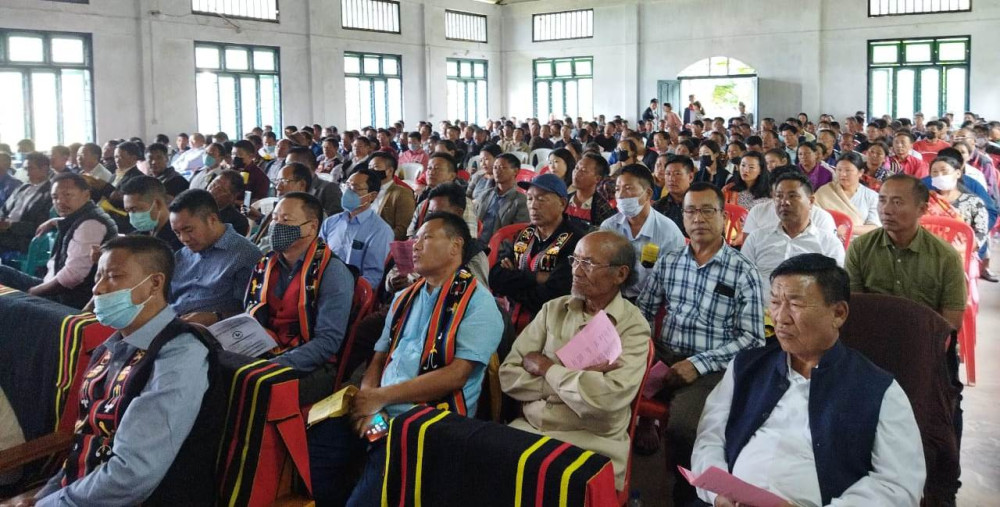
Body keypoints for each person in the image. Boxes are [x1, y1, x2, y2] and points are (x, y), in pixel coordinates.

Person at [692, 254, 925, 506]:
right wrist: (719, 495)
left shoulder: (879, 390)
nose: (780, 317)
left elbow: (898, 486)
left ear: (838, 313)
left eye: (795, 304)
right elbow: (710, 439)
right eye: (774, 302)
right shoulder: (746, 367)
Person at [322, 212, 503, 506]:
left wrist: (379, 398)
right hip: (381, 413)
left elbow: (456, 375)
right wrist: (368, 399)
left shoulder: (478, 304)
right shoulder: (404, 297)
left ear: (456, 246)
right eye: (415, 238)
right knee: (316, 448)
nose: (415, 246)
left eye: (426, 238)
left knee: (376, 472)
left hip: (425, 423)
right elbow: (379, 358)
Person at [27, 236, 221, 506]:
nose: (97, 289)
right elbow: (86, 442)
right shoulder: (113, 346)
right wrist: (43, 497)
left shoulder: (179, 355)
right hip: (84, 492)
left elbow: (132, 474)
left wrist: (51, 504)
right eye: (98, 277)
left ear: (155, 283)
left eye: (114, 277)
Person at [635, 182, 765, 504]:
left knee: (684, 427)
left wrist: (698, 364)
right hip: (665, 354)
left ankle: (686, 491)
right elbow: (645, 311)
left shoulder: (743, 272)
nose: (699, 219)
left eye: (708, 210)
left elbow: (753, 339)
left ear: (724, 217)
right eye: (691, 211)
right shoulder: (670, 261)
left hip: (711, 364)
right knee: (606, 389)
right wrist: (644, 350)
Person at [500, 231, 651, 490]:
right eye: (575, 260)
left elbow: (607, 400)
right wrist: (577, 380)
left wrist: (547, 368)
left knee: (544, 488)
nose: (576, 271)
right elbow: (508, 375)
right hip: (528, 429)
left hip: (589, 444)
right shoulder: (553, 310)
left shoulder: (632, 327)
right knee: (478, 470)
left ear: (621, 274)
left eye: (588, 264)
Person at [244, 191, 354, 403]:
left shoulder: (332, 272)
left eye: (286, 220)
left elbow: (327, 342)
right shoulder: (266, 264)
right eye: (275, 219)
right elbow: (250, 313)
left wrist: (276, 364)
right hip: (264, 348)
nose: (277, 226)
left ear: (312, 227)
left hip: (310, 364)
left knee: (246, 388)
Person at [846, 174, 966, 332]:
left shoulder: (946, 257)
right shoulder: (860, 248)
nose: (886, 210)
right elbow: (855, 307)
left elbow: (952, 322)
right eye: (882, 200)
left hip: (924, 338)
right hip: (873, 335)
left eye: (897, 202)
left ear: (922, 209)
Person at [0, 172, 117, 308]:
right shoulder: (84, 215)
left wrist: (33, 292)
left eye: (67, 195)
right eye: (55, 197)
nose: (60, 202)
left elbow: (72, 276)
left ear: (86, 194)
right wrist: (54, 221)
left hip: (66, 299)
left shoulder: (90, 225)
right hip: (54, 285)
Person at [490, 173, 588, 331]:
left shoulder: (575, 241)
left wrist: (513, 280)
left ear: (562, 204)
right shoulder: (526, 234)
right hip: (509, 320)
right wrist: (536, 277)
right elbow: (495, 276)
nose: (533, 205)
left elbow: (552, 295)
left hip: (549, 326)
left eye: (541, 199)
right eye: (529, 199)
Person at [168, 189, 262, 325]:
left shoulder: (245, 255)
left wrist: (216, 317)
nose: (184, 238)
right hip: (173, 325)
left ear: (212, 219)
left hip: (217, 332)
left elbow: (253, 312)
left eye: (189, 230)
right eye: (177, 233)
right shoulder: (182, 255)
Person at [742, 172, 845, 295]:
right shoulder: (757, 238)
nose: (784, 202)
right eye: (779, 196)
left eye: (792, 196)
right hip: (760, 309)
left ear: (811, 201)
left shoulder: (829, 244)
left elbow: (835, 289)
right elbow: (742, 279)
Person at [600, 165, 685, 299]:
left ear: (648, 193)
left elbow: (672, 282)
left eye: (628, 188)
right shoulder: (609, 227)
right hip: (612, 298)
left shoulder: (668, 233)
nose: (621, 195)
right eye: (617, 189)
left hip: (649, 302)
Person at [319, 168, 393, 288]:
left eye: (355, 188)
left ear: (372, 195)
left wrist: (345, 290)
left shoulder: (380, 230)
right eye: (347, 185)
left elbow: (372, 277)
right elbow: (318, 256)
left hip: (351, 290)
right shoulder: (330, 222)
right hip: (322, 284)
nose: (348, 191)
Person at [814, 151, 882, 237]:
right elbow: (813, 217)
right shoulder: (825, 191)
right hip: (828, 242)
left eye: (848, 170)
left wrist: (848, 229)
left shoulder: (871, 196)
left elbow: (875, 227)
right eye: (839, 170)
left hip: (859, 244)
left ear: (860, 172)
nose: (842, 174)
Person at [0, 152, 54, 254]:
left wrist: (10, 225)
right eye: (26, 169)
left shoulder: (50, 194)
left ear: (44, 169)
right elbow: (4, 210)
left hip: (23, 238)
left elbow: (40, 225)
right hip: (5, 232)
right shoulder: (23, 188)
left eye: (31, 169)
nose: (27, 173)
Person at [476, 153, 529, 246]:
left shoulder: (521, 201)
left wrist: (494, 250)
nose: (497, 171)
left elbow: (518, 235)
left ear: (515, 171)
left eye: (502, 168)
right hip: (476, 244)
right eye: (495, 167)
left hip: (498, 251)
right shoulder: (486, 194)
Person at [120, 176, 183, 251]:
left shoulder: (179, 239)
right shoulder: (137, 237)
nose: (132, 215)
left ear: (158, 204)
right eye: (128, 210)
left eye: (134, 209)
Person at [367, 151, 415, 241]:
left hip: (382, 243)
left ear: (390, 171)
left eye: (376, 167)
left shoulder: (402, 193)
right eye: (369, 168)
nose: (371, 171)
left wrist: (376, 239)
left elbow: (403, 230)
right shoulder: (365, 191)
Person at [285, 145, 344, 217]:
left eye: (292, 165)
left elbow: (334, 221)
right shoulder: (287, 186)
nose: (286, 168)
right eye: (286, 165)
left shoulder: (328, 189)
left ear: (309, 165)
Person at [567, 152, 616, 226]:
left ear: (597, 179)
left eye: (583, 170)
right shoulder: (564, 200)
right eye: (576, 168)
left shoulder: (602, 209)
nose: (577, 173)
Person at [654, 155, 696, 236]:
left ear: (690, 177)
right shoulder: (658, 207)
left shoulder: (701, 204)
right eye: (668, 174)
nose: (671, 179)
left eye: (677, 174)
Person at [206, 169, 251, 236]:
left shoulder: (237, 222)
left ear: (232, 197)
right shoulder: (193, 205)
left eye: (220, 190)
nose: (212, 190)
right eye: (213, 184)